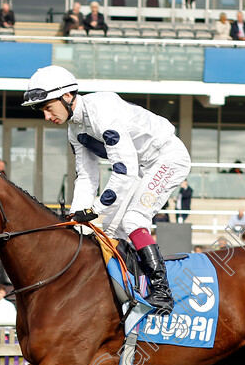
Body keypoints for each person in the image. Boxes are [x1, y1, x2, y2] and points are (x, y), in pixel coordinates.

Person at [22, 65, 190, 313]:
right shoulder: (74, 130)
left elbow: (126, 171)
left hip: (167, 158)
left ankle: (162, 292)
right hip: (140, 166)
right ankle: (129, 292)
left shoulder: (102, 112)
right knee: (109, 228)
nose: (47, 117)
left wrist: (94, 209)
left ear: (67, 96)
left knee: (133, 219)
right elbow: (86, 176)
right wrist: (76, 217)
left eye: (48, 108)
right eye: (42, 111)